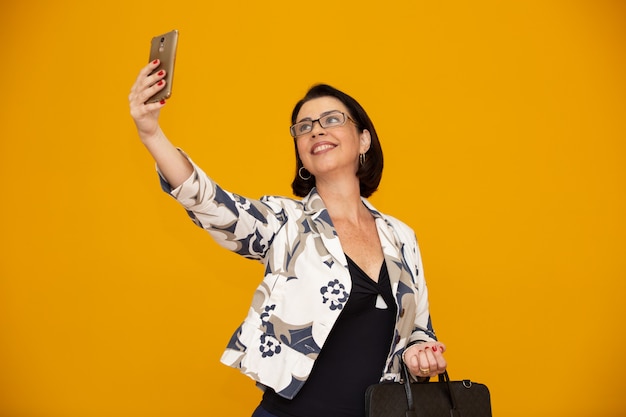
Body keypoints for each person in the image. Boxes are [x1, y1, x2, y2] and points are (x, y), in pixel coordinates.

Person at [129, 59, 447, 417]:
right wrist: (151, 134)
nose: (315, 131)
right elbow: (210, 203)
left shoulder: (401, 236)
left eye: (331, 120)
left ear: (364, 140)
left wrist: (421, 356)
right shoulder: (286, 222)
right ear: (300, 152)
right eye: (304, 127)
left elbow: (420, 328)